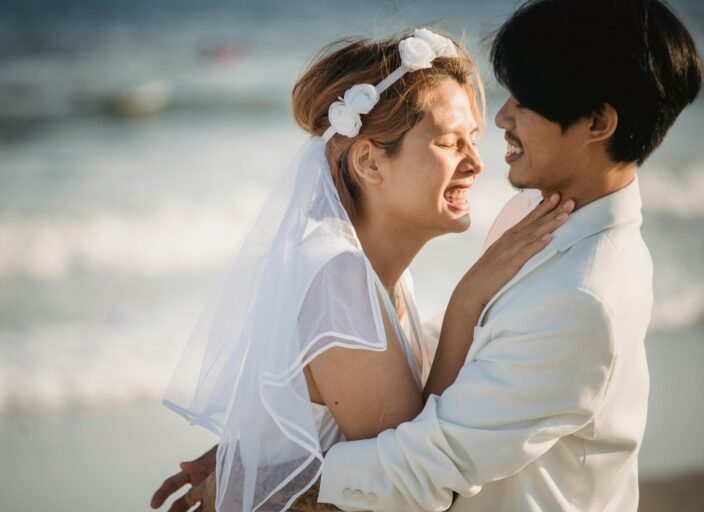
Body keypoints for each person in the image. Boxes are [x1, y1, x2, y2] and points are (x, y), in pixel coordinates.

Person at [153, 0, 703, 510]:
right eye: (449, 141)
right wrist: (260, 450)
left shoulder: (581, 292)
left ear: (599, 123)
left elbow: (429, 464)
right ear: (369, 161)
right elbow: (458, 362)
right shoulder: (537, 220)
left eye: (526, 101)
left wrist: (275, 475)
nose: (502, 121)